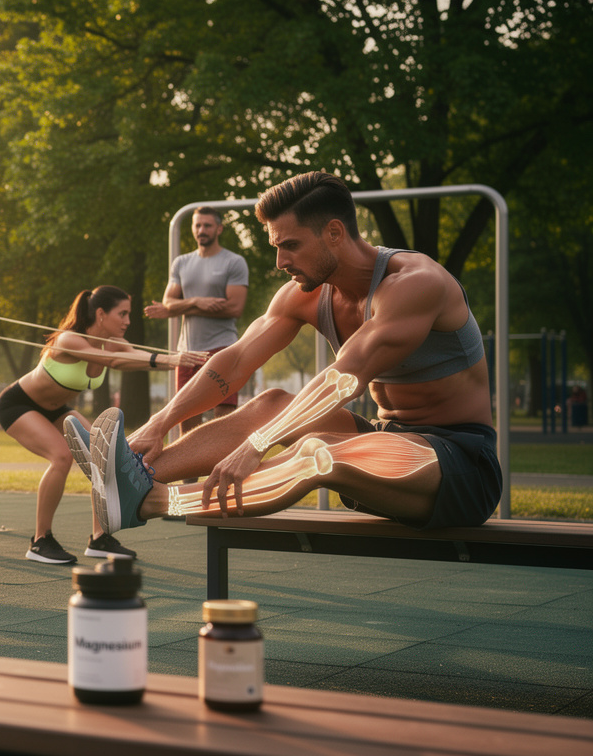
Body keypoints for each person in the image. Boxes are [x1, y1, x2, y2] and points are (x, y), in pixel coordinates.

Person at [78, 171, 500, 537]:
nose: (280, 261)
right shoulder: (307, 294)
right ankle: (128, 474)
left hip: (459, 465)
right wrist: (158, 424)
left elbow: (345, 378)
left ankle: (153, 503)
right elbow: (236, 361)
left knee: (316, 447)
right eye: (276, 247)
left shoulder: (415, 283)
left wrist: (259, 444)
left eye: (291, 245)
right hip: (385, 445)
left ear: (334, 232)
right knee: (272, 402)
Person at [0, 286, 206, 564]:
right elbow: (114, 361)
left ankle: (99, 538)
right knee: (61, 456)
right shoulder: (70, 340)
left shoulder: (113, 342)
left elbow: (133, 359)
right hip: (19, 405)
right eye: (122, 313)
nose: (128, 321)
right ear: (100, 313)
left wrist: (185, 362)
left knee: (103, 455)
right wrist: (169, 359)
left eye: (128, 314)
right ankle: (39, 540)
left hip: (57, 409)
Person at [143, 206, 248, 432]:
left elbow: (235, 308)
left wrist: (178, 307)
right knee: (186, 419)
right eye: (197, 225)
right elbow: (168, 301)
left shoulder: (234, 262)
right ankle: (191, 468)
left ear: (219, 229)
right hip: (188, 351)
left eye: (207, 225)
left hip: (222, 348)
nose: (202, 230)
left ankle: (221, 467)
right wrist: (196, 302)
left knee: (223, 420)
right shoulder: (181, 263)